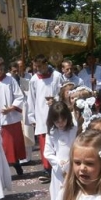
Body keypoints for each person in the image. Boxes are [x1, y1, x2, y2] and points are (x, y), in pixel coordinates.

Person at [0, 56, 26, 176]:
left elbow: (19, 96)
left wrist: (12, 108)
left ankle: (16, 163)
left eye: (1, 69)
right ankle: (5, 168)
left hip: (11, 118)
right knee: (2, 146)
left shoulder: (10, 80)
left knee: (13, 145)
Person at [28, 54, 63, 184]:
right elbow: (31, 99)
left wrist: (56, 100)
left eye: (40, 66)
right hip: (41, 115)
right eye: (36, 66)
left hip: (56, 113)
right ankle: (47, 170)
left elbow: (62, 93)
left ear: (46, 64)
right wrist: (31, 117)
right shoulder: (34, 79)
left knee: (58, 141)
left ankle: (59, 167)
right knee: (44, 143)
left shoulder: (57, 76)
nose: (37, 69)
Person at [43, 101, 76, 200]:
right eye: (57, 122)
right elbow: (48, 152)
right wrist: (57, 161)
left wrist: (72, 161)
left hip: (73, 166)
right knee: (58, 195)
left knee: (73, 194)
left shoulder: (74, 129)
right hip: (58, 170)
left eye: (63, 120)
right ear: (52, 121)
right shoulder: (52, 133)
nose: (61, 124)